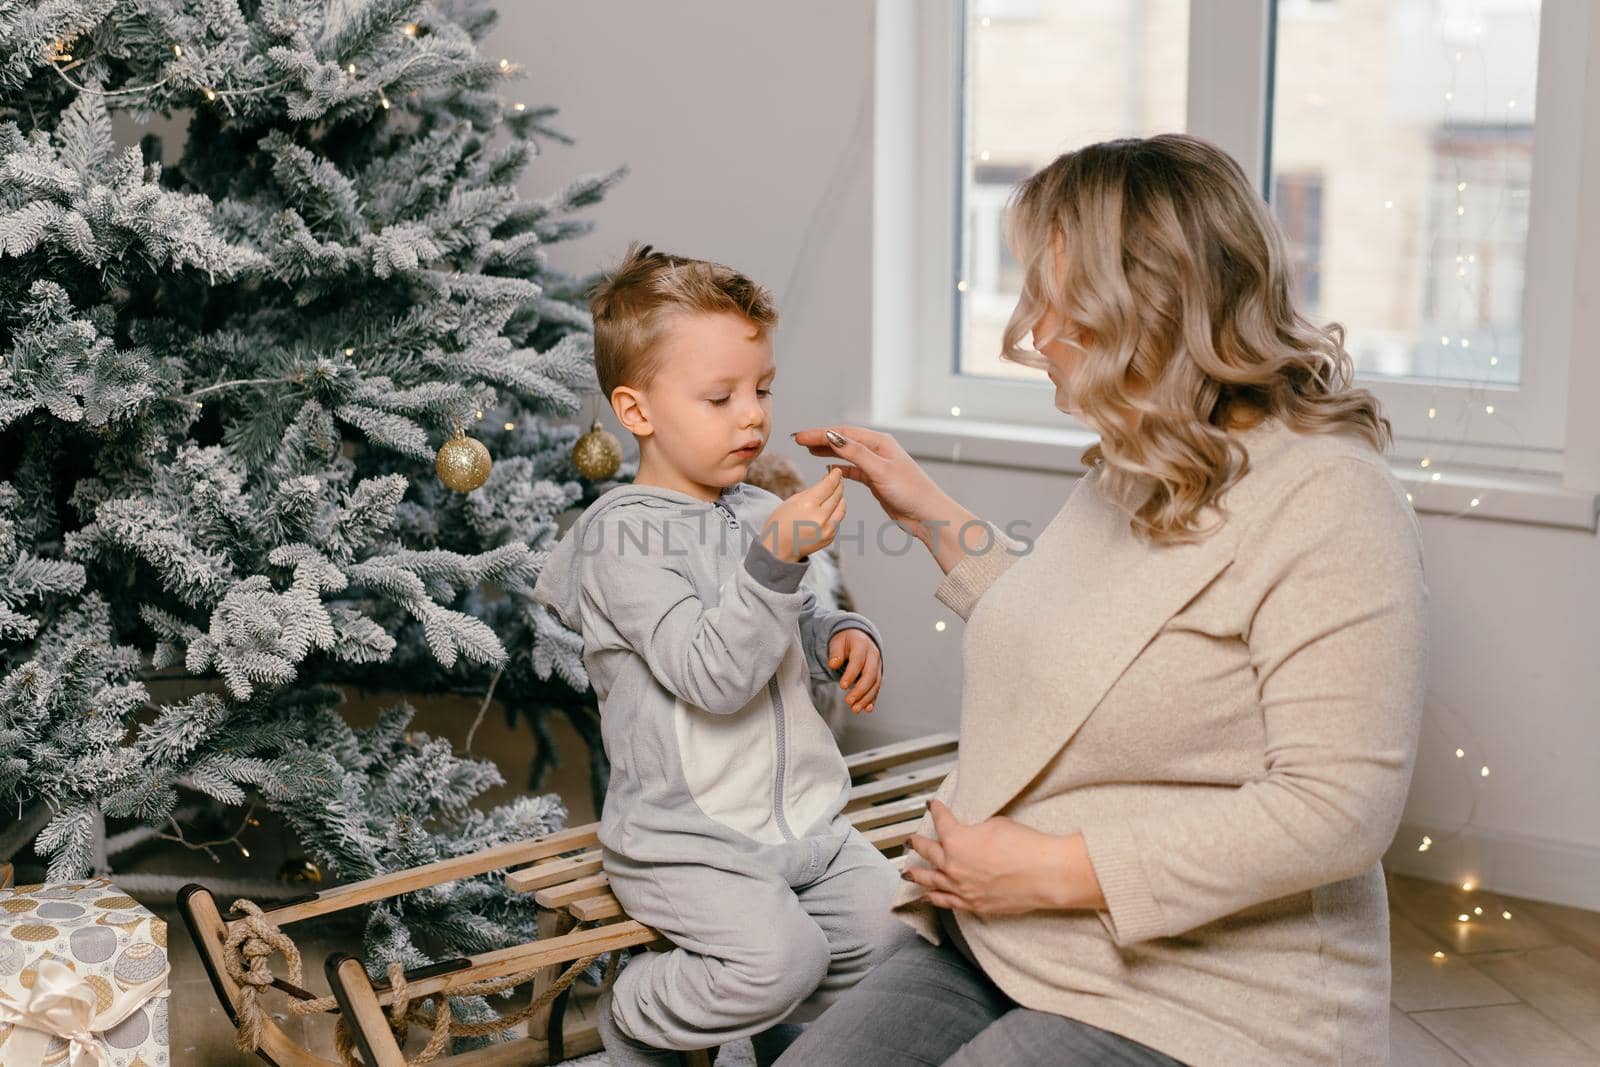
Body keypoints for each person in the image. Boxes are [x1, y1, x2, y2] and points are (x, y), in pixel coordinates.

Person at [778, 134, 1427, 1066]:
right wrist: (927, 513)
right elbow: (1083, 643)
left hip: (1215, 995)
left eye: (1055, 301)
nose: (1032, 331)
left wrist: (1049, 872)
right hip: (1007, 934)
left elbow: (1339, 807)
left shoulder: (1333, 500)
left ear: (1152, 306)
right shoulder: (1145, 458)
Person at [531, 244, 906, 1066]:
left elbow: (803, 612)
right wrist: (775, 561)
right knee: (784, 958)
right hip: (686, 837)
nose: (754, 417)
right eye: (720, 396)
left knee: (900, 937)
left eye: (762, 389)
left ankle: (747, 1019)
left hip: (804, 822)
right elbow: (713, 674)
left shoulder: (754, 508)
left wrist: (842, 635)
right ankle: (634, 1013)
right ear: (637, 412)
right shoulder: (620, 539)